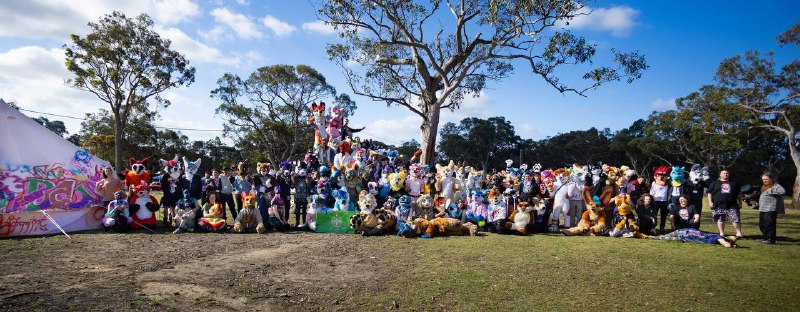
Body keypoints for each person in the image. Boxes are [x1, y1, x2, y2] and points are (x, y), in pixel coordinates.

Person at [706, 168, 743, 238]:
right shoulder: (714, 183)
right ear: (720, 174)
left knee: (735, 219)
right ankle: (722, 233)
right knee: (720, 219)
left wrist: (740, 203)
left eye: (727, 173)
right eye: (724, 173)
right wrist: (710, 202)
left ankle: (738, 233)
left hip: (732, 205)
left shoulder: (734, 183)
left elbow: (739, 194)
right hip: (719, 205)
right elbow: (709, 193)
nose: (725, 174)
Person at [758, 172, 785, 244]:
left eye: (766, 179)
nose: (764, 180)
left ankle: (771, 239)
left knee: (769, 224)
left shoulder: (776, 185)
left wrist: (770, 190)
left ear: (771, 178)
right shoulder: (764, 186)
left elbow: (782, 191)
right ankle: (765, 238)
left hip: (771, 208)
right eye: (763, 179)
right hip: (763, 208)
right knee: (762, 225)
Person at [649, 228, 738, 248]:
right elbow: (726, 244)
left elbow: (726, 244)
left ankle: (652, 237)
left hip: (684, 236)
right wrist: (728, 244)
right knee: (664, 237)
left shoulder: (715, 238)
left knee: (664, 238)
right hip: (684, 233)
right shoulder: (717, 237)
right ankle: (653, 236)